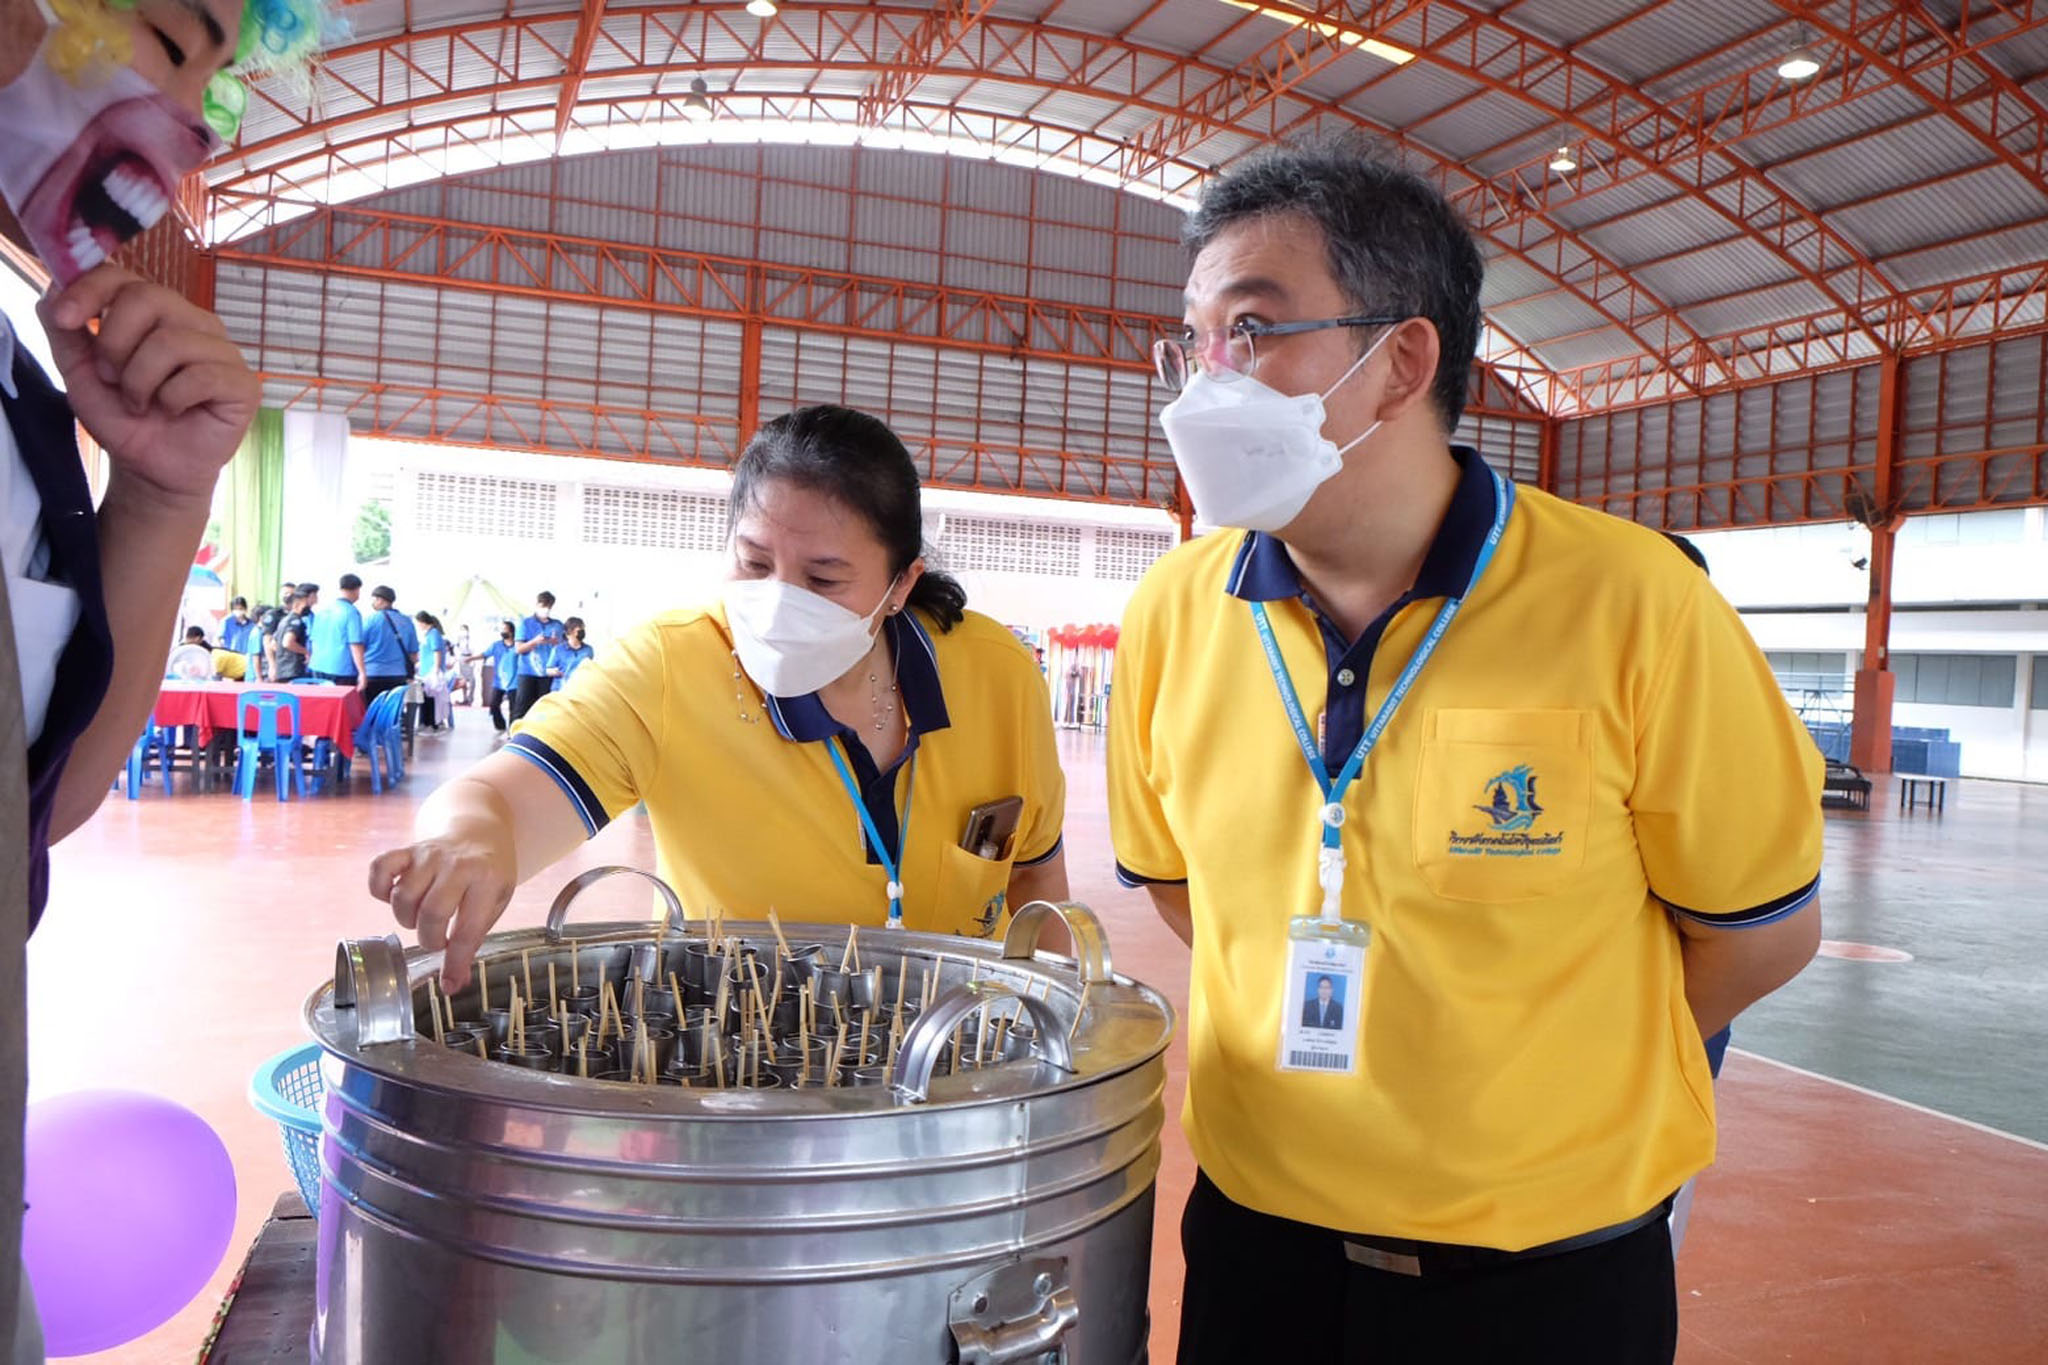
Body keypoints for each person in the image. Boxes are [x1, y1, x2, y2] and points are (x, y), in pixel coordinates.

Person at [1105, 137, 1824, 1364]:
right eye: (1191, 340)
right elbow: (1183, 892)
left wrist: (1530, 1083)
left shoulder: (1632, 605)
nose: (1201, 381)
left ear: (1401, 361)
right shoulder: (1174, 613)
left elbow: (1756, 934)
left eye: (1252, 329)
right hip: (1256, 1250)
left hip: (1539, 1284)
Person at [0, 0, 329, 1354]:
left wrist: (158, 492)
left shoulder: (22, 390)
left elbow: (47, 795)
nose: (192, 119)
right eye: (169, 30)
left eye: (220, 81)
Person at [370, 404, 1069, 991]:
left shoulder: (996, 674)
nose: (777, 602)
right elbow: (502, 793)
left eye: (825, 579)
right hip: (733, 1073)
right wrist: (467, 836)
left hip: (951, 1074)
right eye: (755, 563)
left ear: (901, 585)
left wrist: (1049, 1018)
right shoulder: (674, 666)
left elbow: (1036, 875)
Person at [510, 591, 564, 721]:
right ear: (537, 604)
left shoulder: (557, 625)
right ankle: (514, 735)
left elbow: (563, 648)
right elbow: (518, 649)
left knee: (544, 709)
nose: (545, 609)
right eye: (543, 605)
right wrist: (534, 642)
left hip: (548, 673)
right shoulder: (525, 623)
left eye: (549, 606)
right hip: (527, 672)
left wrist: (556, 642)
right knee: (521, 707)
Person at [360, 584, 417, 707]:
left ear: (381, 600)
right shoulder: (407, 621)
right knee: (391, 713)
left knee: (371, 712)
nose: (373, 602)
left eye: (374, 599)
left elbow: (360, 647)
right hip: (398, 676)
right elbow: (413, 654)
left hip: (373, 674)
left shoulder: (370, 620)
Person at [309, 571, 366, 688]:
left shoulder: (322, 611)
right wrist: (362, 672)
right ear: (356, 590)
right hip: (341, 668)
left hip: (317, 665)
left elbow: (313, 640)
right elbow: (355, 644)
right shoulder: (351, 612)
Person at [471, 620, 518, 735]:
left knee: (514, 708)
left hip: (514, 682)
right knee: (493, 704)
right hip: (499, 682)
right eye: (501, 630)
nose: (502, 632)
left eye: (504, 629)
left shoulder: (518, 646)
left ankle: (512, 730)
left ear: (511, 632)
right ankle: (500, 725)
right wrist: (471, 658)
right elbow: (484, 654)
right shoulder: (496, 645)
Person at [414, 611, 450, 730]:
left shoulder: (434, 634)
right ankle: (426, 722)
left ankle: (433, 723)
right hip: (425, 672)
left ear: (423, 622)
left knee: (432, 698)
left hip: (431, 672)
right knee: (426, 697)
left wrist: (436, 669)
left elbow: (437, 652)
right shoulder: (428, 635)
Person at [272, 586, 315, 684]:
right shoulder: (296, 620)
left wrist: (283, 655)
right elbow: (287, 643)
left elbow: (273, 644)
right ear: (296, 604)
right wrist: (306, 652)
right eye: (305, 604)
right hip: (293, 671)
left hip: (282, 670)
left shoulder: (284, 620)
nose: (307, 607)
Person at [548, 616, 593, 692]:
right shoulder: (558, 650)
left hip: (580, 691)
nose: (581, 633)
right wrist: (555, 672)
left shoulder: (588, 650)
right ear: (569, 633)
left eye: (583, 629)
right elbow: (548, 670)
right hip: (560, 689)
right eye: (578, 631)